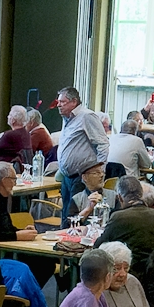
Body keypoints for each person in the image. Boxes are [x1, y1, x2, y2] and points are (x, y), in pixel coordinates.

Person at [52, 86, 108, 224]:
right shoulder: (67, 118)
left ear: (74, 102)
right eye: (58, 101)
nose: (58, 105)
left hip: (82, 176)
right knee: (65, 216)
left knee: (75, 216)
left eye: (62, 102)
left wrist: (99, 171)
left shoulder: (87, 116)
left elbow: (102, 144)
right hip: (67, 176)